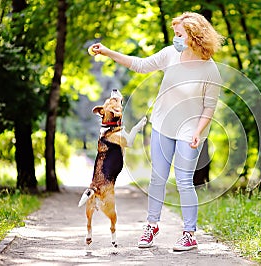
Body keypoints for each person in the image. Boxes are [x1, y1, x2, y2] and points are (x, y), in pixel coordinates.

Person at [88, 11, 223, 251]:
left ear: (194, 35)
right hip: (162, 124)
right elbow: (139, 65)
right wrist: (107, 52)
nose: (175, 38)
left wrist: (198, 132)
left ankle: (189, 233)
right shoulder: (171, 54)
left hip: (190, 129)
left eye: (179, 34)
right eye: (174, 34)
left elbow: (209, 107)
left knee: (183, 180)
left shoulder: (210, 69)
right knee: (157, 178)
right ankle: (152, 225)